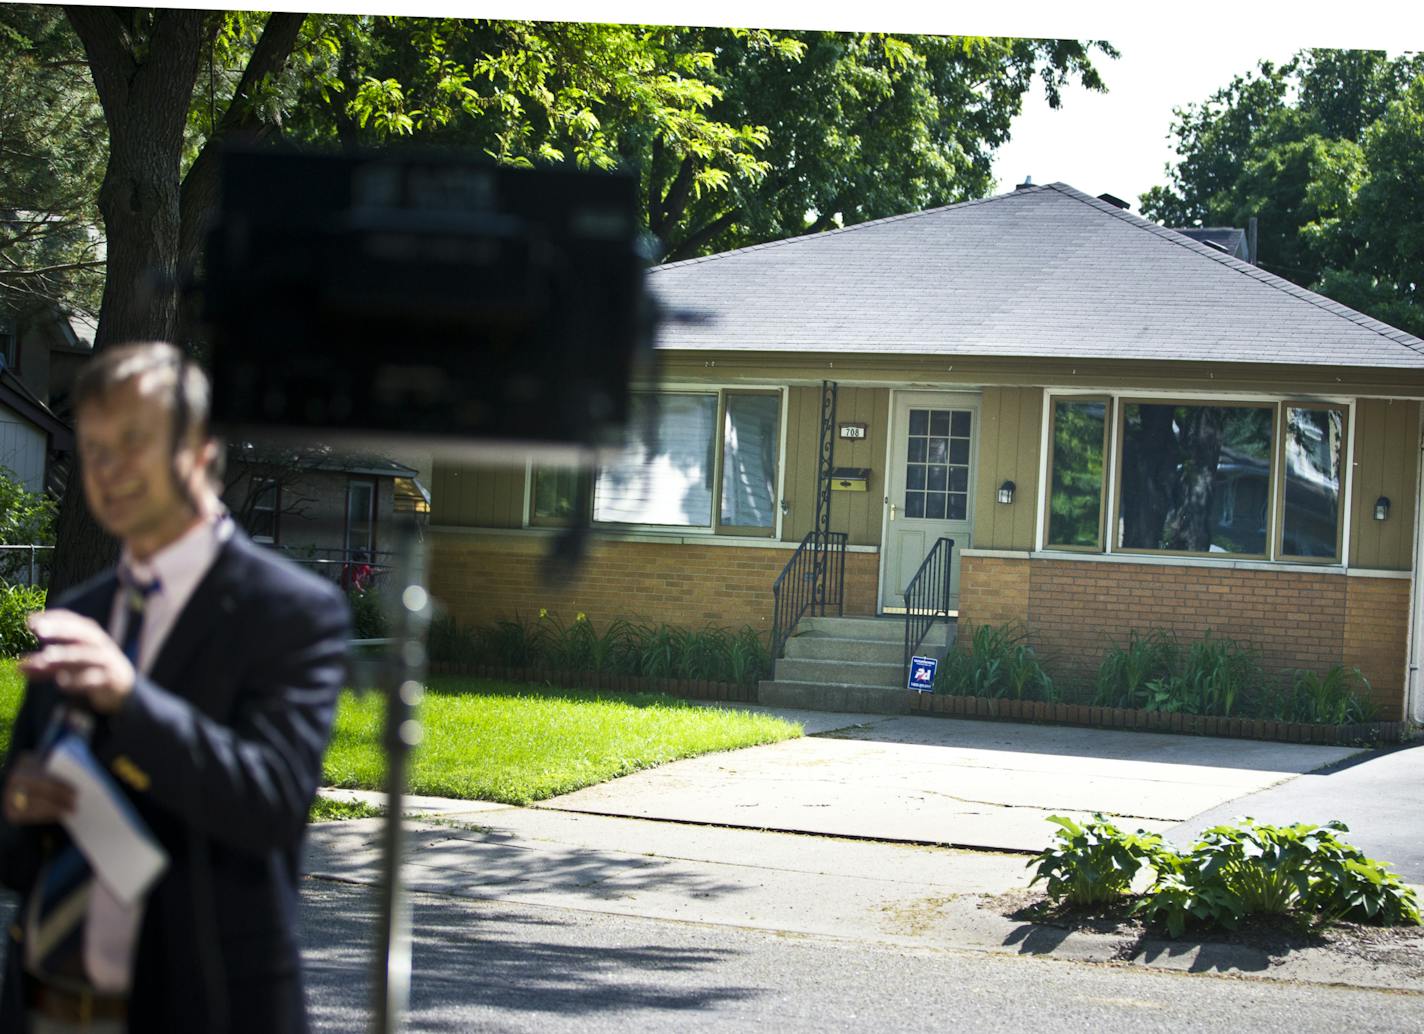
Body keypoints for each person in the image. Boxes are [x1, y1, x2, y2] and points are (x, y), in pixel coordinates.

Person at [0, 342, 351, 1032]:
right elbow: (18, 858)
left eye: (132, 440)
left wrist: (129, 701)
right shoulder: (81, 611)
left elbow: (271, 805)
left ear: (198, 448)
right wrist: (17, 805)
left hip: (200, 1007)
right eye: (93, 446)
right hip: (42, 1007)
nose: (106, 468)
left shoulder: (288, 611)